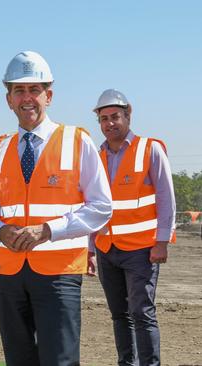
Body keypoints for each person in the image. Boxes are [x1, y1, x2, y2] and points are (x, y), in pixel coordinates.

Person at [0, 50, 113, 366]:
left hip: (59, 271)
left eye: (34, 90)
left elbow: (102, 206)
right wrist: (1, 230)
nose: (27, 98)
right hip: (8, 272)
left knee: (58, 360)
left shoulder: (77, 141)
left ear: (48, 96)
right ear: (8, 99)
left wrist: (48, 230)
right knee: (18, 360)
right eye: (18, 90)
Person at [91, 89, 175, 366]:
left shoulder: (150, 149)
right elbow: (91, 203)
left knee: (142, 313)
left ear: (128, 115)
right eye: (103, 119)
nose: (109, 123)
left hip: (142, 249)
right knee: (119, 314)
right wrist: (91, 248)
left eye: (115, 116)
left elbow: (166, 196)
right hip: (107, 248)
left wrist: (162, 240)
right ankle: (126, 363)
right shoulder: (96, 155)